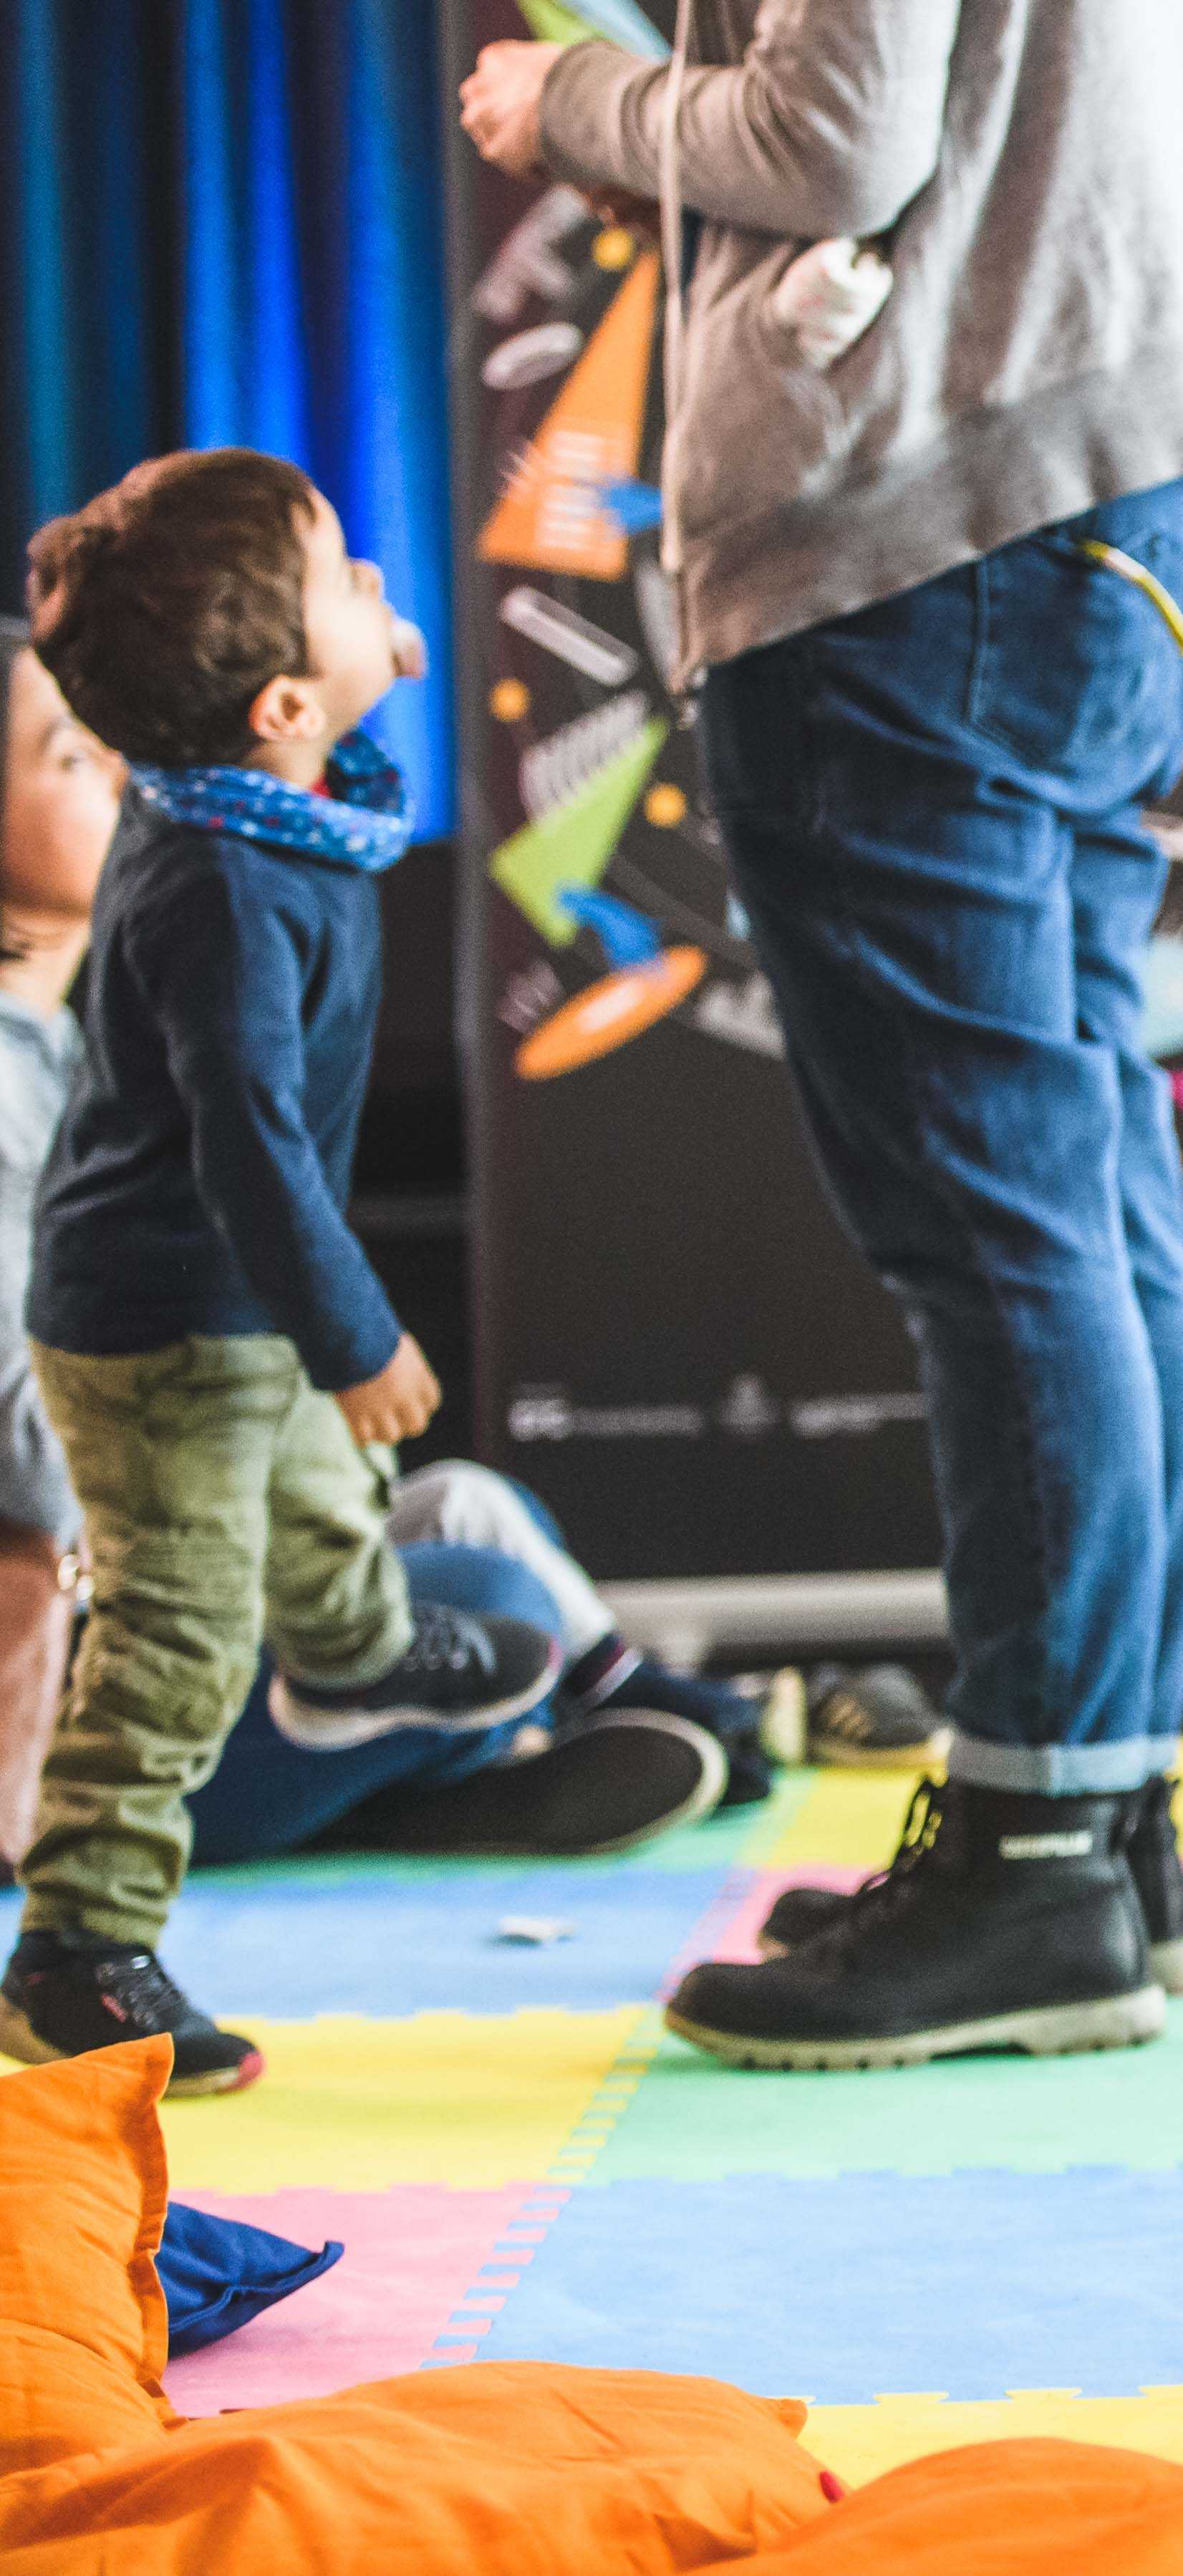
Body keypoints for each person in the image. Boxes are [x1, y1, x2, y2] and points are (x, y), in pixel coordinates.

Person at [458, 1, 1183, 2070]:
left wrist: (569, 102)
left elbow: (830, 133)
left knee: (1005, 1223)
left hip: (925, 516)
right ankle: (1096, 1810)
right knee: (1082, 1188)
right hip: (1108, 486)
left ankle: (1041, 1853)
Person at [4, 453, 566, 2095]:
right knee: (178, 1627)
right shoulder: (223, 887)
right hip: (165, 1320)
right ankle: (77, 1942)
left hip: (224, 1295)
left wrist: (356, 665)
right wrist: (356, 1328)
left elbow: (334, 761)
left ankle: (352, 1645)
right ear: (273, 705)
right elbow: (248, 1145)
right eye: (343, 581)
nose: (378, 581)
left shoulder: (252, 802)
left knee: (332, 1488)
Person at [185, 1462, 763, 1866]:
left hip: (219, 1592)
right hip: (167, 1705)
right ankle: (496, 1748)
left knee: (469, 1501)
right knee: (499, 1604)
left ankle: (592, 1691)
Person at [0, 619, 118, 1874]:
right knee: (486, 1600)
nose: (122, 774)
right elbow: (25, 1453)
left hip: (121, 1571)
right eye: (70, 756)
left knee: (470, 1522)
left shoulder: (69, 1049)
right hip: (83, 1633)